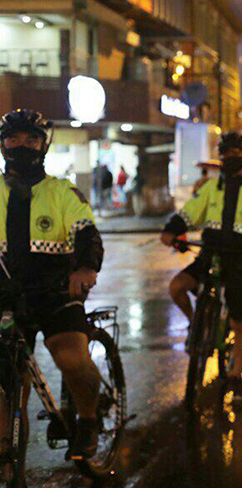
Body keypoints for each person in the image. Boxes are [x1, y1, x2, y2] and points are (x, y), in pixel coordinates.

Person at [0, 109, 104, 461]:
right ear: (2, 145)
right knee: (7, 388)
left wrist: (86, 266)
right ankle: (10, 463)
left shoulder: (61, 191)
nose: (22, 146)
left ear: (43, 145)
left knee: (73, 360)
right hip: (5, 298)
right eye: (13, 139)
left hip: (55, 292)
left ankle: (88, 422)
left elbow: (86, 232)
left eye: (31, 139)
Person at [160, 132, 242, 401]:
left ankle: (236, 376)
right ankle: (197, 325)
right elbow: (190, 212)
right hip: (211, 255)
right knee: (176, 287)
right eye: (226, 153)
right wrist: (172, 229)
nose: (231, 158)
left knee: (239, 323)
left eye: (236, 153)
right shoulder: (210, 187)